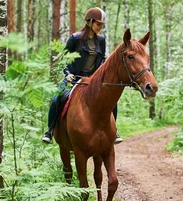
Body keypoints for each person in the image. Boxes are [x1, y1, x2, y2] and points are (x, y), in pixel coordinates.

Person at [41, 7, 123, 144]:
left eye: (102, 25)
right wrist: (67, 74)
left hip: (93, 79)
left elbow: (102, 59)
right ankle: (49, 130)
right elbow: (65, 59)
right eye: (98, 24)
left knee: (112, 101)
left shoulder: (101, 40)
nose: (100, 28)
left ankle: (113, 131)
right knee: (57, 98)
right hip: (74, 77)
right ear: (90, 22)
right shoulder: (75, 38)